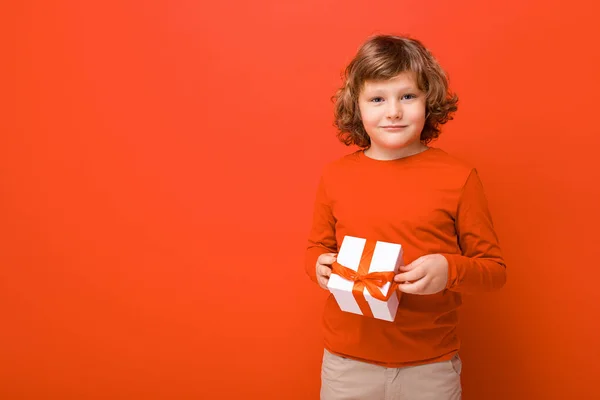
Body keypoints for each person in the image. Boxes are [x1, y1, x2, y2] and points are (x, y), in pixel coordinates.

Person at [305, 34, 507, 400]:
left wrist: (450, 269)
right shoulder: (335, 176)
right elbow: (317, 246)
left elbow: (493, 271)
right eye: (378, 99)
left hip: (429, 366)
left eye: (407, 96)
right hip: (347, 364)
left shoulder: (458, 178)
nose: (393, 111)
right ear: (357, 106)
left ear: (429, 101)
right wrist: (315, 265)